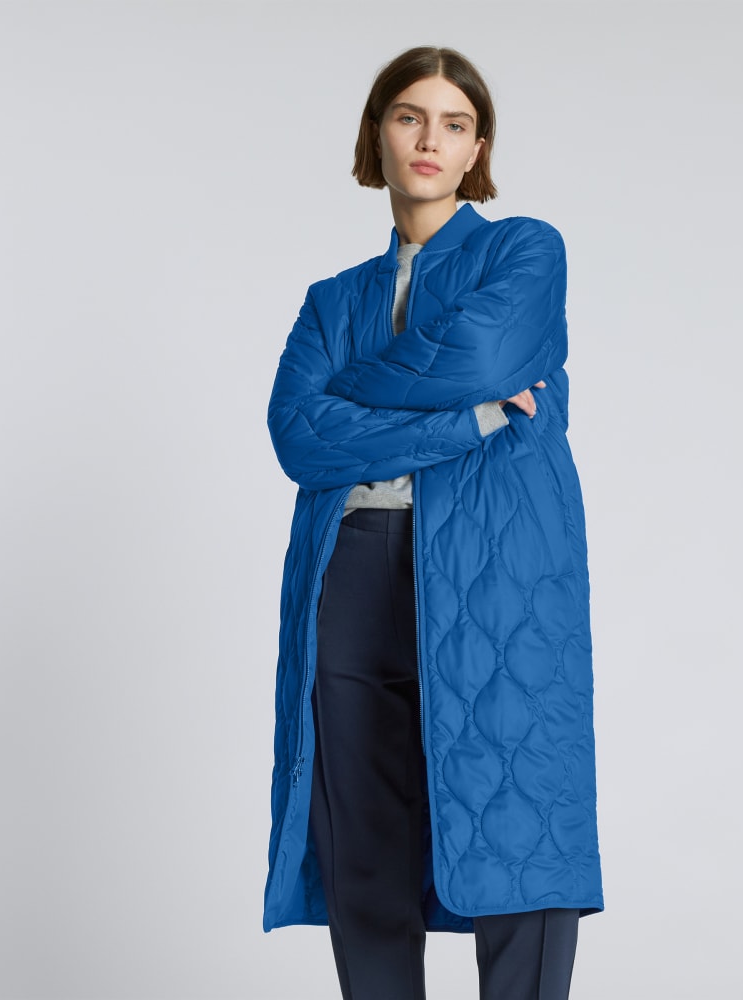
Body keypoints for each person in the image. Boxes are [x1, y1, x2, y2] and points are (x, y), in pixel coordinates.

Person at [263, 46, 603, 1000]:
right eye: (410, 116)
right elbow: (297, 435)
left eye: (455, 124)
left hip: (496, 567)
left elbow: (483, 354)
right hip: (350, 566)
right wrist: (465, 421)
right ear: (378, 132)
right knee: (362, 841)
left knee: (516, 813)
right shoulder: (333, 301)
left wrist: (351, 400)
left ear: (476, 149)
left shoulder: (524, 251)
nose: (430, 139)